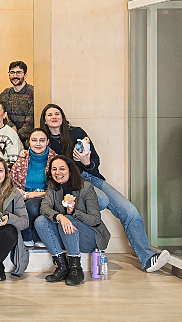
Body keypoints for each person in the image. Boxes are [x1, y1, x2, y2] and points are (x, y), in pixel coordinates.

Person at [41, 104, 170, 272]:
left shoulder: (77, 133)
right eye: (49, 114)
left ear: (62, 117)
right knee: (101, 200)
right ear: (44, 120)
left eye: (57, 113)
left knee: (129, 210)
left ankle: (147, 259)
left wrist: (86, 161)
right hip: (73, 185)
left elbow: (95, 160)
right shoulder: (43, 140)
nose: (54, 117)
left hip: (91, 176)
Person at [35, 155, 109, 286]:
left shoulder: (86, 187)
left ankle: (76, 268)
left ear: (70, 170)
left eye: (62, 168)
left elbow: (95, 220)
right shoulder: (53, 187)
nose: (58, 172)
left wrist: (74, 212)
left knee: (69, 219)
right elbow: (44, 208)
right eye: (54, 169)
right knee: (40, 221)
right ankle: (62, 266)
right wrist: (60, 216)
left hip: (89, 236)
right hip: (66, 235)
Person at [11, 128, 56, 247]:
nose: (38, 144)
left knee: (32, 206)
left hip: (45, 196)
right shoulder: (22, 159)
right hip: (23, 195)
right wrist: (18, 191)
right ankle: (23, 238)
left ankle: (36, 237)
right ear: (29, 142)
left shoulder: (55, 160)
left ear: (47, 142)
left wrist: (35, 194)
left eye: (42, 140)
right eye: (34, 140)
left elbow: (58, 188)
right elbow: (11, 181)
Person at [0, 61, 34, 143]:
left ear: (25, 75)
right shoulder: (4, 94)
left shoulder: (33, 93)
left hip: (28, 139)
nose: (15, 76)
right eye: (12, 73)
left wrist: (17, 136)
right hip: (7, 136)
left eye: (19, 73)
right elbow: (1, 114)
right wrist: (12, 126)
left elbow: (31, 120)